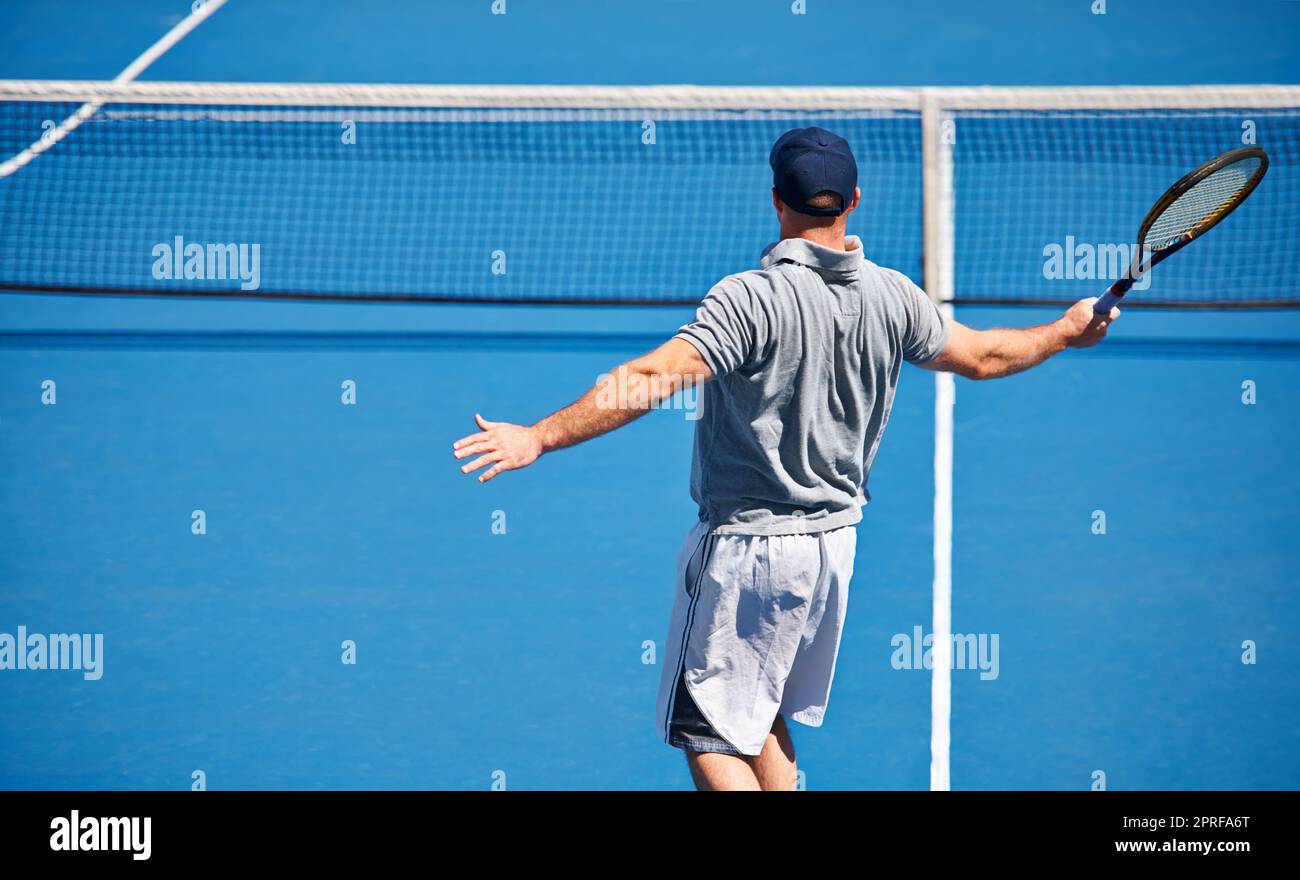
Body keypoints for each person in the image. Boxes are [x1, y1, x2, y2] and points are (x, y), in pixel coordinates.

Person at [452, 126, 1118, 791]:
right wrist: (1064, 330)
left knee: (707, 734)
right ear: (853, 198)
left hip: (746, 555)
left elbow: (651, 377)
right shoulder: (894, 297)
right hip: (832, 551)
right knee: (758, 705)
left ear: (777, 200)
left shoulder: (749, 299)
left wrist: (539, 435)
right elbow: (986, 356)